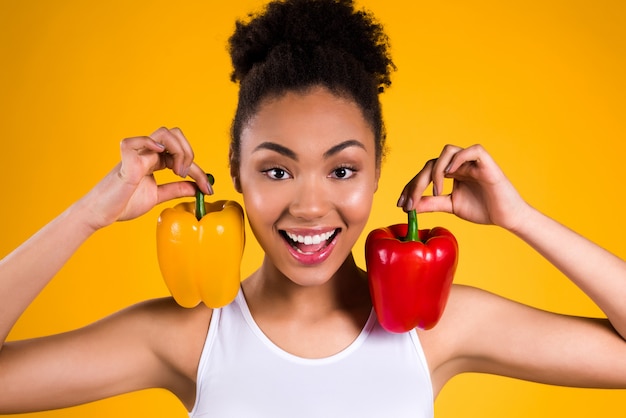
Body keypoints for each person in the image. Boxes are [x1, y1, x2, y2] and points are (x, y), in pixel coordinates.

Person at [1, 0, 625, 416]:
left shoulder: (433, 330)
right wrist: (89, 213)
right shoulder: (190, 335)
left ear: (378, 169)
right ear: (236, 176)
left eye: (342, 169)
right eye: (276, 170)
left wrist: (523, 219)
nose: (309, 204)